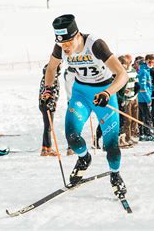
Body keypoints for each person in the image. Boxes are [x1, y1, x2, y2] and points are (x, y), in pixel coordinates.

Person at [41, 14, 128, 198]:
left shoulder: (95, 44)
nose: (65, 49)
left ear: (77, 35)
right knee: (72, 136)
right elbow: (51, 68)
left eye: (68, 44)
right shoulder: (61, 46)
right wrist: (48, 91)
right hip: (81, 93)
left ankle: (115, 175)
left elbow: (122, 74)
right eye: (61, 44)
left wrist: (107, 93)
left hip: (103, 93)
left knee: (111, 146)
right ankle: (84, 158)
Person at [38, 64, 61, 156]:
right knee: (48, 127)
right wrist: (49, 104)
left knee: (47, 127)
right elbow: (48, 93)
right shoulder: (51, 78)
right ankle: (48, 148)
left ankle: (45, 148)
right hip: (47, 105)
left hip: (45, 105)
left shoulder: (45, 78)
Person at [137, 55, 154, 141]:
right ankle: (147, 134)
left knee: (142, 116)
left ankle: (142, 133)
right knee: (147, 116)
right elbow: (142, 87)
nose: (151, 64)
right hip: (143, 98)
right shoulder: (144, 71)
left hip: (142, 98)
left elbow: (148, 85)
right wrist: (148, 99)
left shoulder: (146, 70)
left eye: (153, 62)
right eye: (149, 62)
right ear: (146, 61)